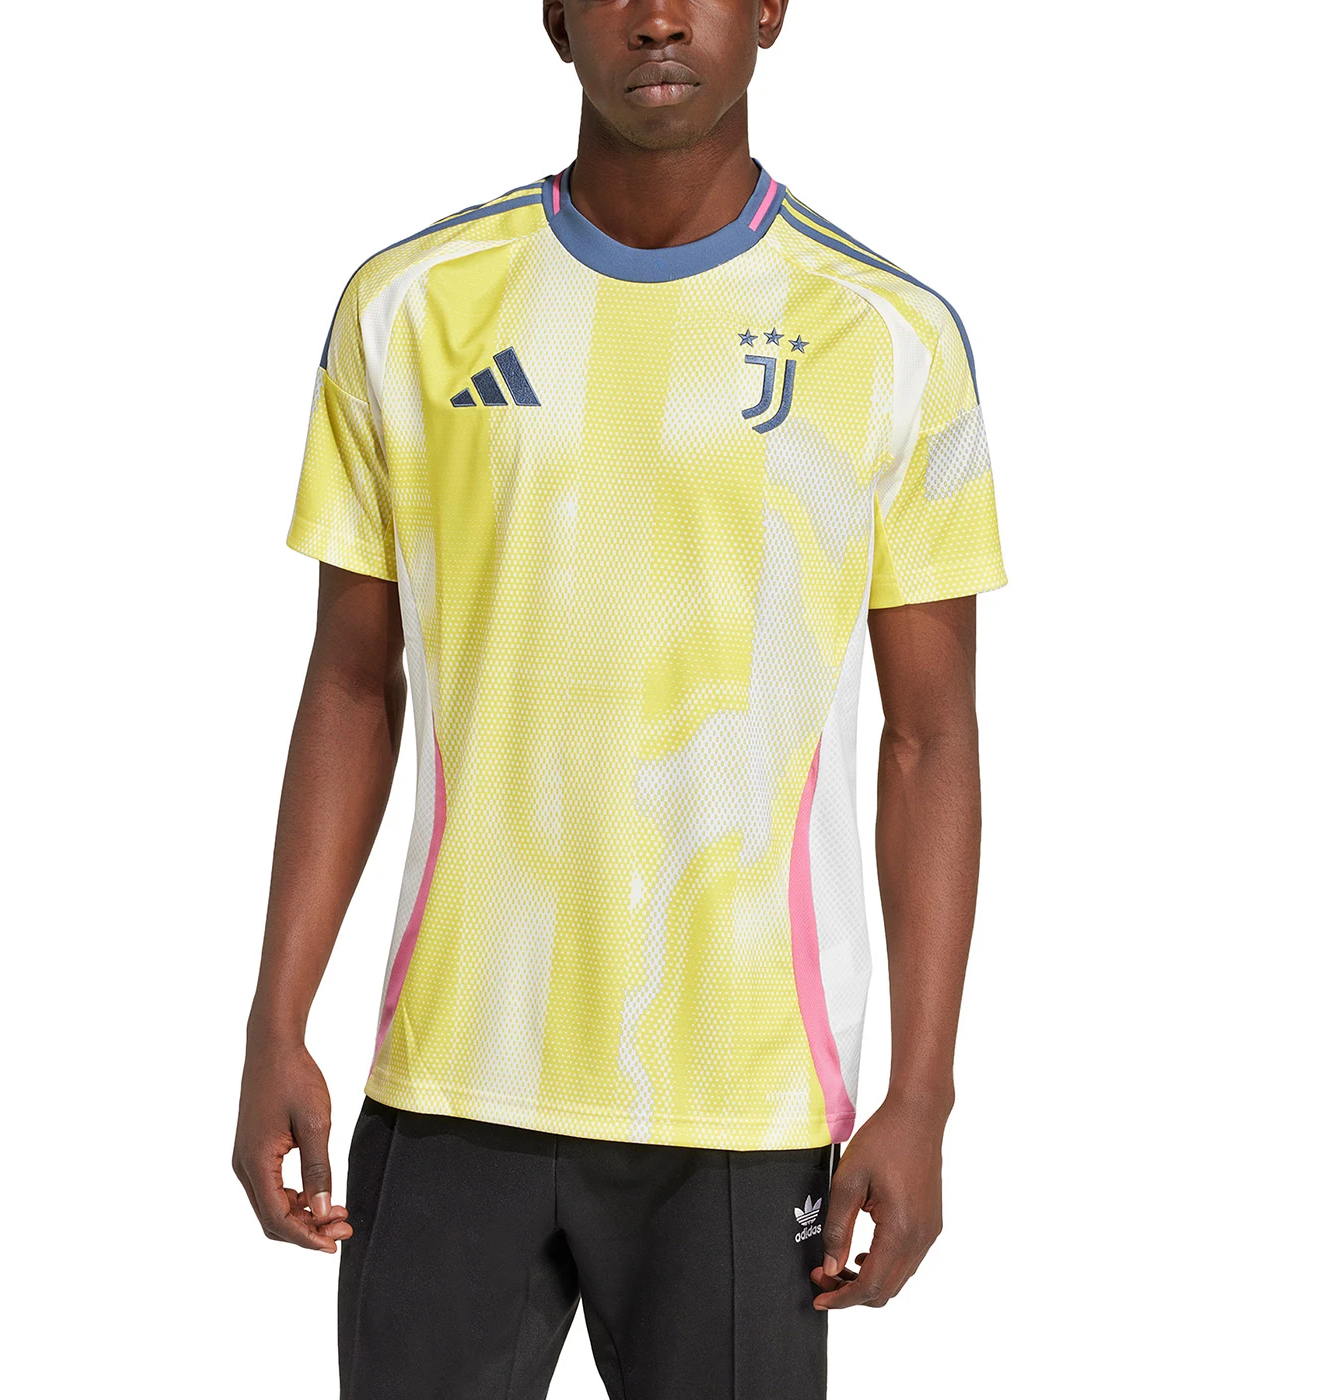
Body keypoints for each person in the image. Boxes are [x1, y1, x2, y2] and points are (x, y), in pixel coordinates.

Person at [232, 1, 1007, 1395]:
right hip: (454, 1073)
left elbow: (930, 737)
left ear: (770, 10)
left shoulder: (888, 336)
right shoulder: (411, 306)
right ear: (554, 14)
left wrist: (924, 1096)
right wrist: (275, 1019)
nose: (658, 17)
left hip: (745, 1097)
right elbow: (351, 681)